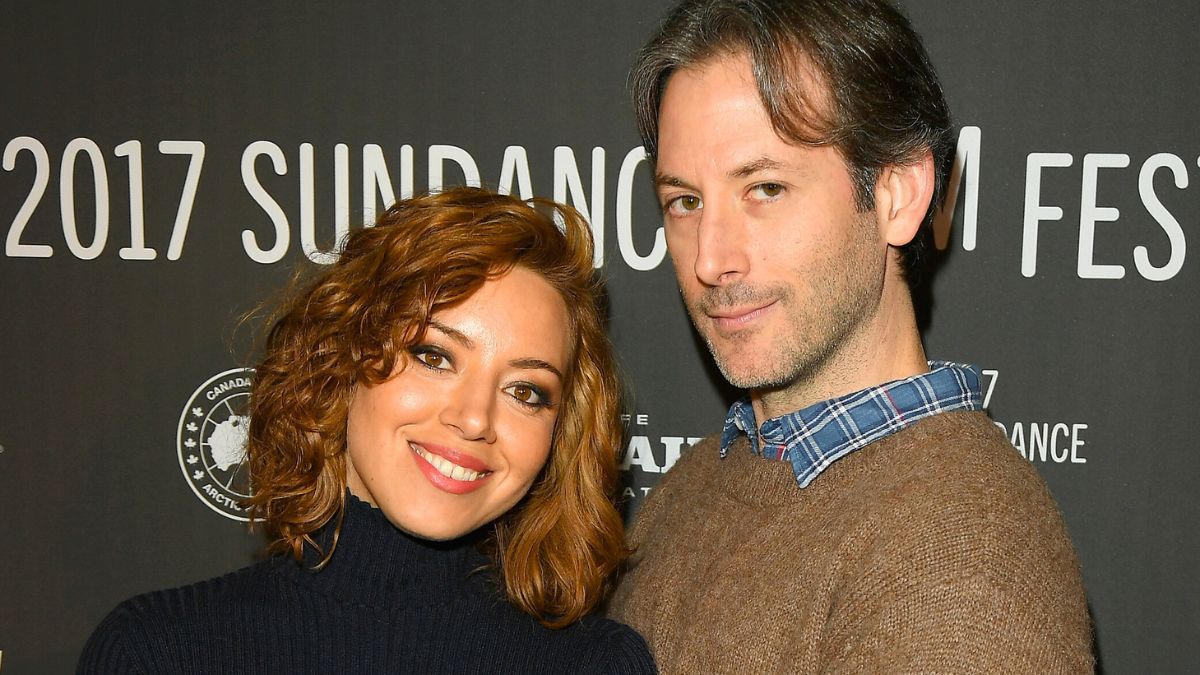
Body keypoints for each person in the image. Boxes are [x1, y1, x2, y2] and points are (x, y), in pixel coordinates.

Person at [607, 0, 1093, 672]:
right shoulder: (699, 483)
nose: (709, 259)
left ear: (897, 193)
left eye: (765, 188)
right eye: (685, 201)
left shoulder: (960, 562)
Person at [79, 187, 657, 674]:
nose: (475, 419)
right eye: (433, 356)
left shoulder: (599, 665)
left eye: (525, 391)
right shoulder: (158, 651)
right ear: (343, 359)